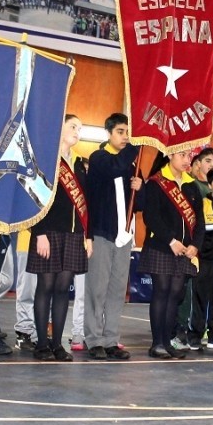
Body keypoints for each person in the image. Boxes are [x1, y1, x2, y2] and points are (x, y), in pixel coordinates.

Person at [28, 115, 91, 361]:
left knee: (64, 289)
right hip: (49, 232)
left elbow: (87, 202)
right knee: (46, 286)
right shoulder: (45, 159)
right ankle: (41, 344)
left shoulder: (79, 165)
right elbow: (34, 197)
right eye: (73, 126)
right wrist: (39, 232)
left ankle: (57, 344)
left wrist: (89, 236)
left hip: (74, 234)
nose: (78, 131)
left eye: (80, 127)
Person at [83, 113, 142, 360]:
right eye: (121, 131)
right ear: (109, 133)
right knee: (97, 287)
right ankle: (93, 338)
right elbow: (114, 168)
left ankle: (110, 339)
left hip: (124, 235)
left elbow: (140, 204)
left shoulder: (130, 165)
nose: (126, 136)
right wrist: (139, 143)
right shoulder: (100, 158)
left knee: (118, 289)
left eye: (129, 132)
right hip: (103, 232)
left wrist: (141, 187)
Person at [141, 151, 203, 358]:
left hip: (185, 251)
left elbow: (200, 221)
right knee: (162, 291)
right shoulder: (156, 183)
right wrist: (171, 240)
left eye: (189, 157)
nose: (187, 161)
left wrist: (195, 245)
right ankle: (157, 343)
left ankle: (168, 342)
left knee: (175, 295)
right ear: (170, 156)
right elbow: (151, 216)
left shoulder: (191, 185)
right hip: (161, 247)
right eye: (183, 155)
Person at [183, 166, 213, 350]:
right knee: (200, 299)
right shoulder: (203, 203)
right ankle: (194, 334)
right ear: (209, 185)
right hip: (204, 259)